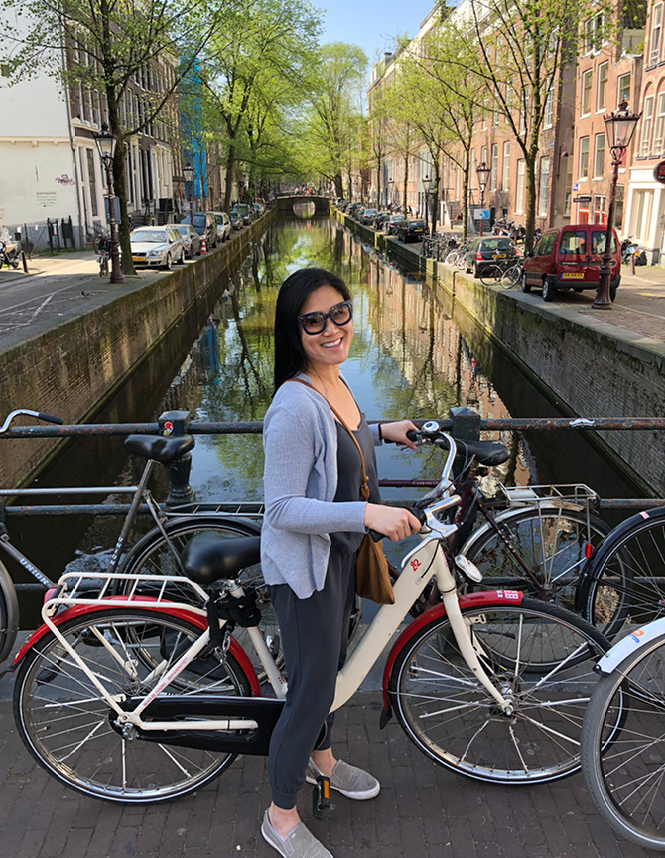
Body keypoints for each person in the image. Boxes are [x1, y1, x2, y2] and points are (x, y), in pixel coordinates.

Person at [260, 268, 421, 858]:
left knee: (325, 678)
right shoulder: (294, 405)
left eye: (340, 313)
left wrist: (383, 430)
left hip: (339, 562)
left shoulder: (335, 382)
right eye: (313, 320)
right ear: (293, 330)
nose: (332, 329)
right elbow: (279, 507)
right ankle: (279, 817)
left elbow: (343, 441)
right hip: (306, 573)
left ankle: (320, 760)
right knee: (307, 694)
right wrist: (366, 515)